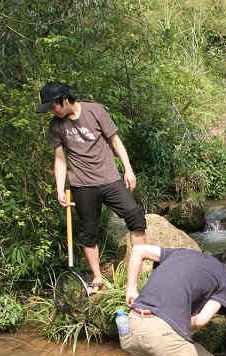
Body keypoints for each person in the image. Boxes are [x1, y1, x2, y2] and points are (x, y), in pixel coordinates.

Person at [36, 81, 146, 290]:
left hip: (110, 179)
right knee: (88, 232)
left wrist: (128, 169)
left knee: (135, 215)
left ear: (65, 100)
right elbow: (60, 159)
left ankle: (138, 271)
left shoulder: (95, 110)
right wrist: (59, 188)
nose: (52, 111)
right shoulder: (56, 126)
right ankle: (97, 277)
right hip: (82, 185)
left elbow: (115, 141)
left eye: (53, 106)